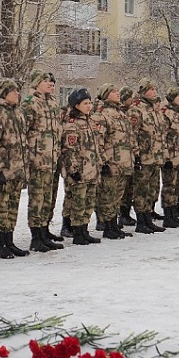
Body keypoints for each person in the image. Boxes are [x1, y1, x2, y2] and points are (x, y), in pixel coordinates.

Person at [0, 80, 33, 258]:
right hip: (4, 170)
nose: (17, 94)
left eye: (17, 91)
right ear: (4, 93)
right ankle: (1, 244)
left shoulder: (18, 113)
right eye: (13, 91)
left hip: (17, 168)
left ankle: (10, 240)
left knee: (13, 206)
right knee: (1, 207)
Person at [22, 70, 65, 245]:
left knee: (49, 197)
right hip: (37, 159)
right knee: (37, 199)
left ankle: (45, 230)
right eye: (47, 81)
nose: (51, 84)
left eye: (53, 82)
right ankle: (36, 236)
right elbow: (23, 133)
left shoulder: (53, 103)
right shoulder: (30, 104)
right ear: (37, 83)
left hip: (52, 159)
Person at [91, 83, 137, 239]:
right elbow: (98, 141)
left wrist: (134, 155)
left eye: (118, 91)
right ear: (105, 95)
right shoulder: (101, 115)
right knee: (108, 196)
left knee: (118, 195)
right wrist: (103, 162)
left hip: (123, 162)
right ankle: (108, 226)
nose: (118, 94)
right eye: (113, 91)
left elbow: (130, 137)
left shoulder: (121, 114)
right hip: (111, 163)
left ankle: (114, 224)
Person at [61, 88, 103, 245]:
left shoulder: (90, 122)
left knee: (89, 202)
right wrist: (73, 170)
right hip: (80, 171)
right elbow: (69, 150)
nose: (89, 106)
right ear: (76, 105)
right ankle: (77, 232)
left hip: (92, 170)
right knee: (78, 202)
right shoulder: (72, 125)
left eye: (90, 102)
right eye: (85, 103)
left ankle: (84, 230)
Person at [127, 79, 167, 233]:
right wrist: (136, 155)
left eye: (155, 88)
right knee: (141, 189)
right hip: (143, 157)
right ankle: (141, 220)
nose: (154, 91)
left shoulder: (154, 110)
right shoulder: (137, 109)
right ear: (143, 91)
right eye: (151, 89)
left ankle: (148, 217)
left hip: (155, 156)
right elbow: (132, 134)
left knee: (151, 189)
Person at [160, 87, 179, 228]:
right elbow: (163, 137)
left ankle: (174, 213)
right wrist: (166, 158)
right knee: (169, 187)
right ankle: (168, 215)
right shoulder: (167, 114)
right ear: (172, 98)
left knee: (177, 186)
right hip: (171, 157)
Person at [118, 86, 139, 227]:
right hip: (119, 157)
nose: (132, 100)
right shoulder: (120, 114)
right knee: (120, 189)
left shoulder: (127, 114)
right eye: (130, 98)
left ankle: (125, 214)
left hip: (129, 155)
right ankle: (118, 216)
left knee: (130, 187)